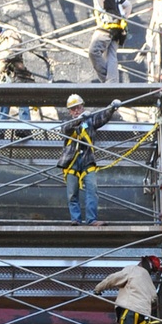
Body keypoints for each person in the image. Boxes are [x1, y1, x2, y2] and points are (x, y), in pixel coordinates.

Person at [59, 92, 120, 226]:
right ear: (69, 111)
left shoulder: (90, 121)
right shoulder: (67, 123)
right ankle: (76, 220)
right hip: (71, 162)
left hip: (87, 160)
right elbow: (66, 129)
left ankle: (91, 220)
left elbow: (102, 117)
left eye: (78, 107)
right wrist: (79, 119)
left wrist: (112, 108)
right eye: (73, 108)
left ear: (82, 106)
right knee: (72, 193)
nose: (76, 110)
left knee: (92, 190)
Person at [73, 0, 132, 83]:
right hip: (118, 29)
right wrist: (124, 18)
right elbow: (128, 5)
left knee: (93, 51)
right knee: (111, 56)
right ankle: (112, 82)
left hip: (107, 27)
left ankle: (107, 80)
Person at [0, 21, 39, 127]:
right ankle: (1, 130)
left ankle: (24, 129)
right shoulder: (4, 39)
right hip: (7, 75)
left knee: (21, 102)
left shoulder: (10, 34)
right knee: (5, 103)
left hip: (14, 73)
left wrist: (3, 61)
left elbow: (13, 50)